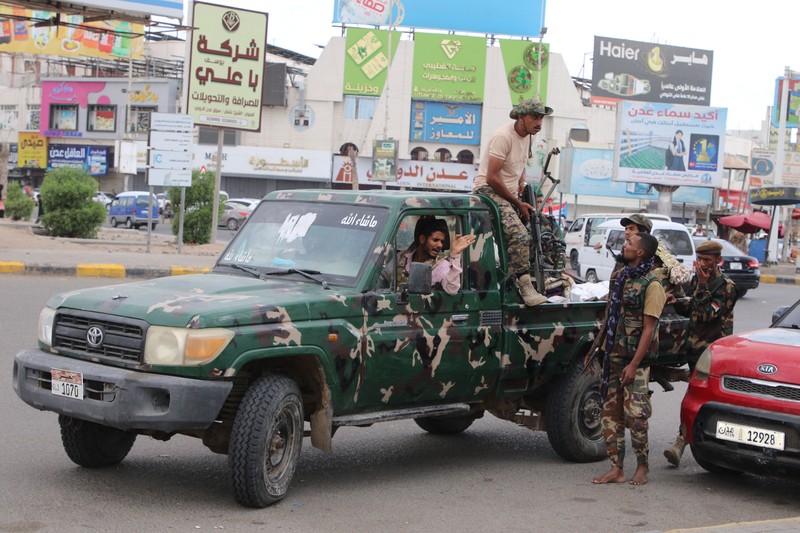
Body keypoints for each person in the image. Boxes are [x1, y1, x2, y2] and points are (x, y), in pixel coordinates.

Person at [592, 232, 665, 486]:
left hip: (636, 362)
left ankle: (642, 465)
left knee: (636, 417)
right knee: (610, 414)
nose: (624, 245)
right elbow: (611, 316)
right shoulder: (622, 276)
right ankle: (616, 468)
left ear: (641, 252)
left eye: (629, 243)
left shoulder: (652, 285)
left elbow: (649, 329)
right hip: (613, 355)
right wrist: (599, 349)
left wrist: (634, 365)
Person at [663, 239, 738, 466]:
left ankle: (684, 441)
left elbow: (707, 314)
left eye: (707, 260)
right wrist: (677, 301)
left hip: (714, 356)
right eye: (700, 259)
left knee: (706, 400)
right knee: (696, 397)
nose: (703, 264)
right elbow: (691, 308)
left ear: (718, 260)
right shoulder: (697, 281)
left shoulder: (727, 287)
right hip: (694, 350)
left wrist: (703, 287)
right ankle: (689, 440)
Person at [473, 98, 553, 306]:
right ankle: (525, 287)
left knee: (535, 234)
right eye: (534, 117)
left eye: (541, 118)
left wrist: (522, 183)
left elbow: (521, 164)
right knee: (518, 234)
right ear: (521, 117)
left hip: (508, 194)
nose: (539, 122)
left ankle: (511, 281)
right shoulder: (503, 136)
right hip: (488, 191)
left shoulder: (529, 137)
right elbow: (492, 177)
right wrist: (517, 203)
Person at [396, 216, 474, 296]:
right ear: (422, 239)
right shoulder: (401, 257)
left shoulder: (441, 265)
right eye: (435, 240)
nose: (440, 245)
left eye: (442, 242)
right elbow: (387, 278)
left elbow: (452, 289)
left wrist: (455, 254)